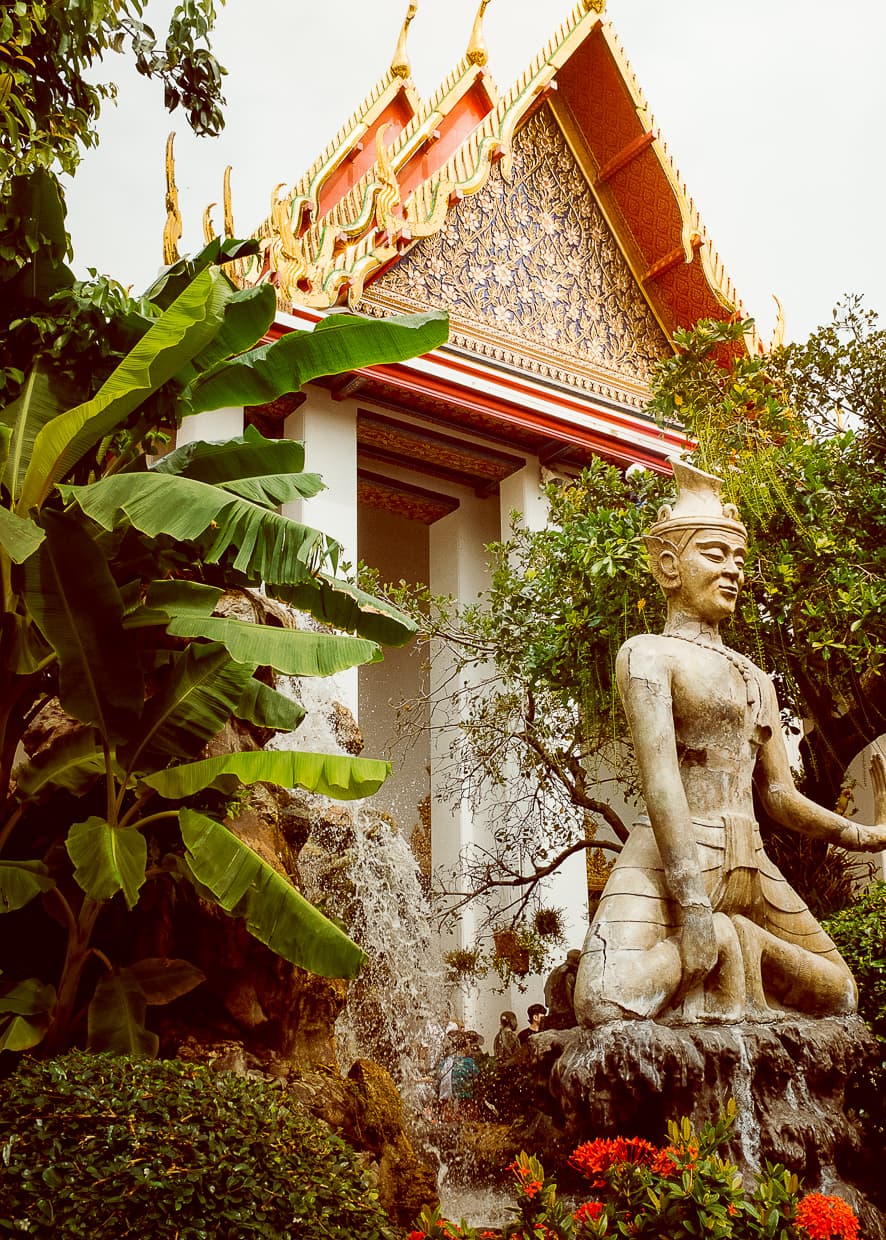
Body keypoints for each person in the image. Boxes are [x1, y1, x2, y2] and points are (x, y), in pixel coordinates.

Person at [573, 458, 886, 1027]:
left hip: (750, 856)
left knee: (840, 992)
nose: (732, 571)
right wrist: (693, 906)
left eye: (738, 559)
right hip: (675, 856)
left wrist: (860, 834)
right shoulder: (647, 655)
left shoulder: (752, 674)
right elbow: (662, 779)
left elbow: (780, 797)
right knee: (601, 999)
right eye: (714, 556)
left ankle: (743, 939)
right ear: (668, 566)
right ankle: (720, 935)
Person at [544, 949, 581, 1029]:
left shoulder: (554, 971)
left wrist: (549, 1005)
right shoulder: (571, 972)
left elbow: (546, 990)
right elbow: (570, 994)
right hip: (567, 1017)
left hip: (553, 1014)